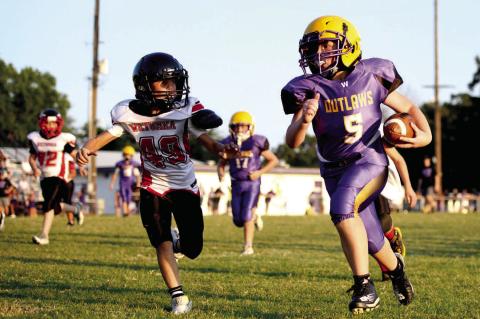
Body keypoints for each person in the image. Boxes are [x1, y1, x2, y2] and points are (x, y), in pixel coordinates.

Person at [281, 16, 431, 314]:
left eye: (326, 44)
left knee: (340, 209)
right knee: (374, 240)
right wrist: (304, 120)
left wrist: (424, 135)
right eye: (313, 47)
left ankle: (364, 286)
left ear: (349, 45)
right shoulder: (309, 88)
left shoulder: (372, 74)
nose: (319, 53)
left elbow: (410, 108)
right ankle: (397, 271)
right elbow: (293, 142)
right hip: (333, 170)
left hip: (369, 161)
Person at [76, 52, 238, 315]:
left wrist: (222, 150)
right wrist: (86, 148)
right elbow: (109, 135)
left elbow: (205, 140)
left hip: (184, 186)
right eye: (165, 82)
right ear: (145, 86)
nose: (173, 88)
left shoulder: (186, 107)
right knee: (160, 241)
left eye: (174, 81)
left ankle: (180, 244)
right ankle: (179, 297)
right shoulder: (128, 112)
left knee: (193, 248)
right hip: (153, 185)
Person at [217, 111, 279, 255]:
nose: (239, 129)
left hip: (252, 183)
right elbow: (222, 163)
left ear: (250, 127)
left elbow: (274, 160)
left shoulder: (256, 142)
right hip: (236, 183)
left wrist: (259, 172)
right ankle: (255, 216)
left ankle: (248, 246)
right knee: (238, 220)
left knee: (246, 216)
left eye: (243, 126)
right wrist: (220, 172)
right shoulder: (228, 143)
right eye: (236, 127)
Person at [28, 109, 83, 245]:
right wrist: (34, 168)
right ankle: (75, 209)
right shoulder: (35, 138)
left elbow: (74, 154)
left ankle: (44, 236)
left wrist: (82, 164)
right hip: (44, 176)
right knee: (54, 207)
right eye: (49, 123)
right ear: (42, 123)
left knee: (48, 205)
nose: (51, 126)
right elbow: (32, 158)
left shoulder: (63, 139)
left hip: (58, 176)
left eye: (54, 123)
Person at [375, 141, 417, 280]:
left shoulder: (374, 128)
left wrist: (409, 187)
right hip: (354, 182)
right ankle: (387, 268)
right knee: (366, 233)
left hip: (377, 180)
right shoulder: (340, 130)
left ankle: (393, 237)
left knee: (382, 223)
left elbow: (398, 159)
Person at [109, 145, 141, 217]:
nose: (127, 157)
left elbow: (137, 175)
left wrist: (138, 183)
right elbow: (115, 174)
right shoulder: (120, 164)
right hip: (123, 182)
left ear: (131, 156)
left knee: (129, 197)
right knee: (123, 197)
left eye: (129, 155)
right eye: (126, 155)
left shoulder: (134, 165)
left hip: (131, 183)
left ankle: (127, 211)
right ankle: (125, 212)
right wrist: (112, 183)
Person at [64, 153, 85, 226]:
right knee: (59, 203)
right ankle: (75, 213)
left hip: (67, 182)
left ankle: (71, 219)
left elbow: (73, 173)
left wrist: (64, 180)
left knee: (66, 202)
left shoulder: (67, 157)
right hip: (59, 182)